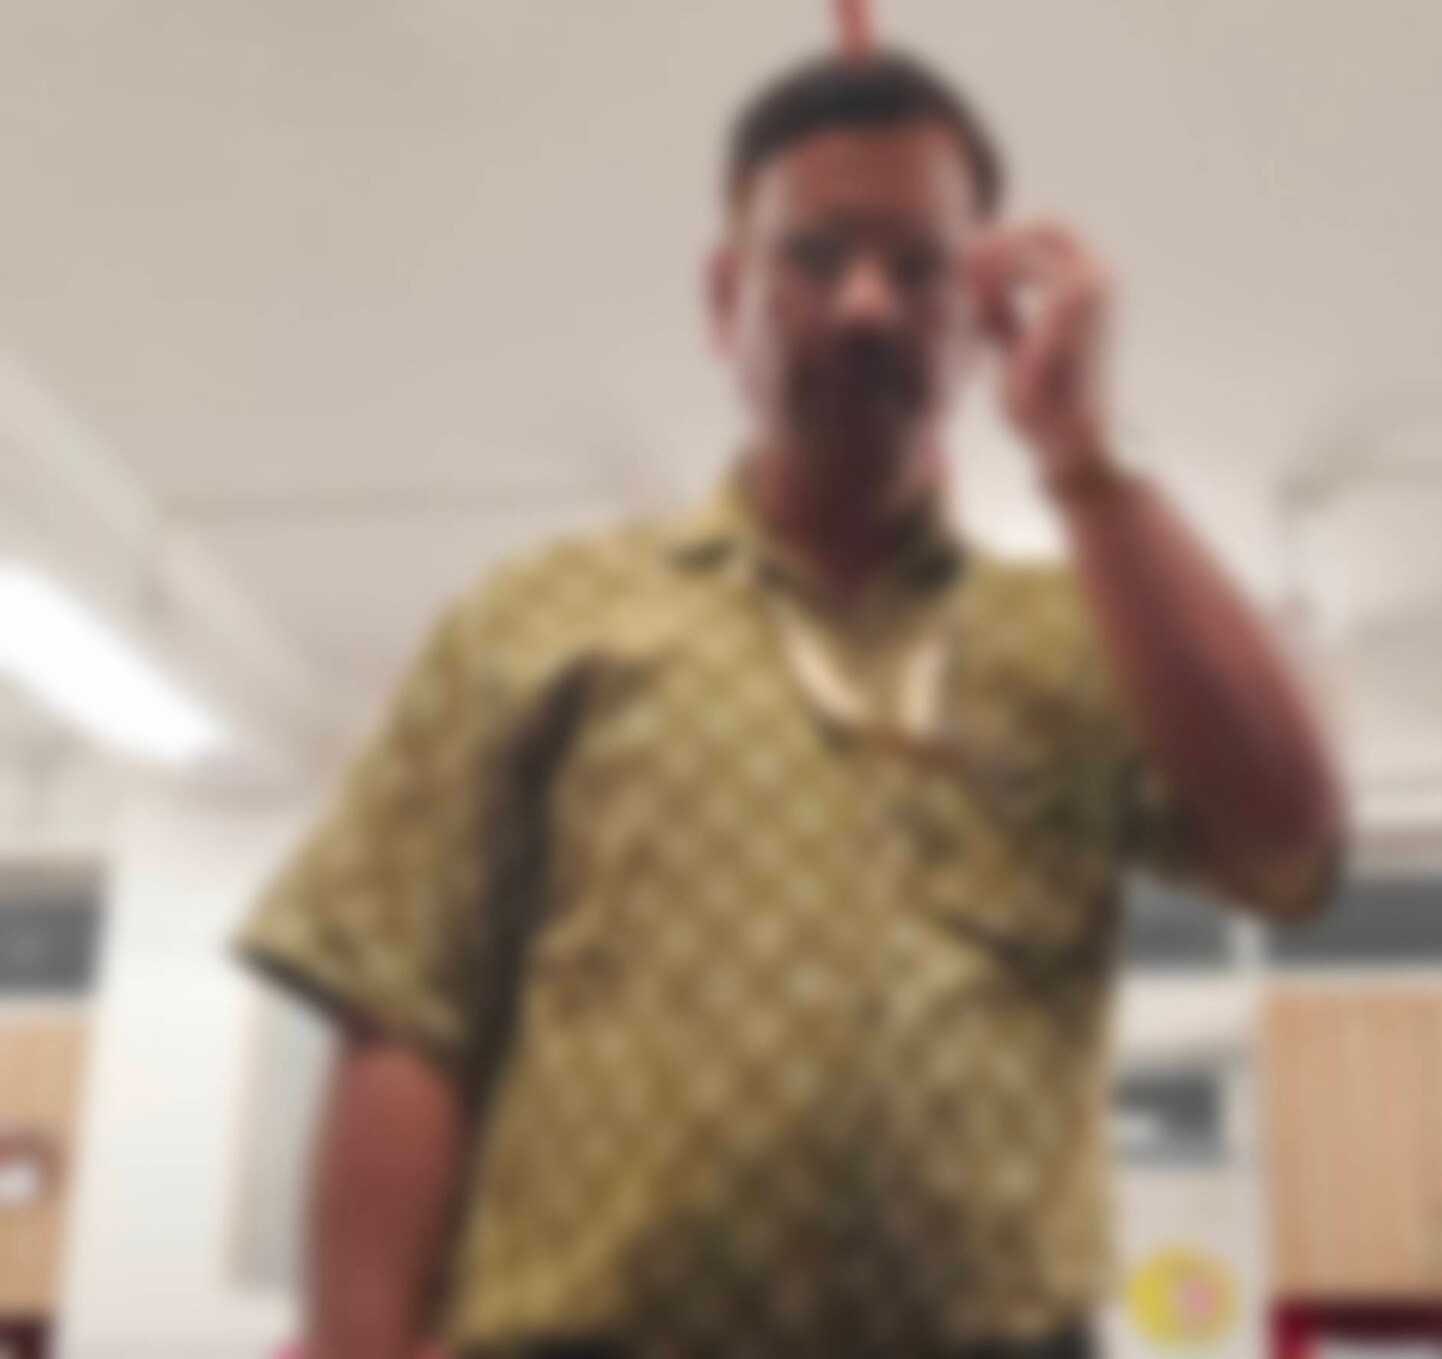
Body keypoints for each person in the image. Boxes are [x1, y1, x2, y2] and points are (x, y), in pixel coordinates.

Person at [237, 49, 1344, 1359]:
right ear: (727, 300)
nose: (867, 305)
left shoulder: (1084, 640)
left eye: (921, 267)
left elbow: (1289, 839)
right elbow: (403, 1001)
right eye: (813, 256)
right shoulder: (539, 618)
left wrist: (1086, 453)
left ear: (979, 314)